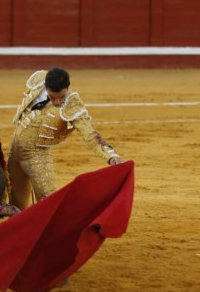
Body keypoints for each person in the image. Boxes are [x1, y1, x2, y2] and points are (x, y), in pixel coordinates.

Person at [8, 68, 123, 211]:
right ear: (45, 87)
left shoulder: (72, 103)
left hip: (37, 156)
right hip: (15, 150)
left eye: (61, 97)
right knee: (15, 201)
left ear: (67, 88)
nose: (57, 101)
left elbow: (89, 134)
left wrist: (110, 156)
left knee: (48, 201)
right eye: (52, 97)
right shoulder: (38, 81)